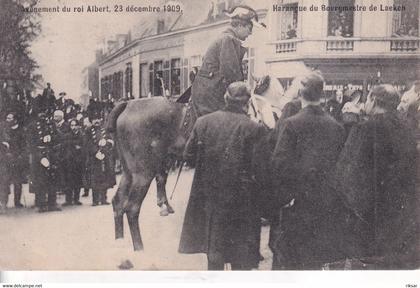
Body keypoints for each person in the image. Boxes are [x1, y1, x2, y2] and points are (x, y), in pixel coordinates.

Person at [179, 82, 266, 270]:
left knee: (215, 258)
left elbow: (188, 157)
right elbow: (261, 170)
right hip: (243, 204)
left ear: (225, 98)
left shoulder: (203, 122)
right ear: (247, 103)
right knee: (241, 261)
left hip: (211, 202)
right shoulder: (254, 128)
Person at [335, 84, 419, 269]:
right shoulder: (407, 130)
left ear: (373, 100)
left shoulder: (365, 128)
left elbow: (347, 172)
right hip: (401, 219)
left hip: (368, 219)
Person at [270, 71, 347, 269]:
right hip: (325, 202)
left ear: (300, 93)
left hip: (296, 203)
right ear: (321, 94)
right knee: (316, 259)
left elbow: (279, 165)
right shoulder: (336, 126)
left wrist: (283, 198)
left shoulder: (291, 124)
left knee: (290, 258)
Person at [191, 5, 263, 117]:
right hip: (211, 94)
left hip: (206, 90)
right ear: (239, 25)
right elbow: (231, 75)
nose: (251, 33)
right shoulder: (228, 40)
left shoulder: (226, 38)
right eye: (250, 28)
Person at [27, 104, 61, 212]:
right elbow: (30, 143)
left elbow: (58, 137)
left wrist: (51, 137)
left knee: (52, 178)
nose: (43, 115)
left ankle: (52, 203)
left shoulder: (50, 124)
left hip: (50, 154)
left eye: (44, 112)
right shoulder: (32, 126)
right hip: (39, 155)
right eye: (41, 113)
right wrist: (38, 156)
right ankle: (41, 204)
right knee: (40, 180)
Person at [85, 113, 115, 206]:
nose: (96, 121)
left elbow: (111, 141)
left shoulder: (105, 130)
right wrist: (95, 152)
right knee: (95, 179)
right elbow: (87, 143)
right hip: (94, 158)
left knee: (104, 178)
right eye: (94, 119)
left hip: (105, 157)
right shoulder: (88, 131)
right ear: (91, 121)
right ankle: (95, 200)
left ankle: (103, 198)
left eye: (98, 119)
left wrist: (106, 142)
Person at [4, 113, 27, 208]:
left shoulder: (22, 131)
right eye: (7, 118)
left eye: (9, 118)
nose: (7, 120)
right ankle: (4, 202)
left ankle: (17, 201)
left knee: (18, 181)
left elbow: (25, 146)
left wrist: (21, 156)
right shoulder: (5, 130)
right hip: (6, 159)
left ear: (15, 120)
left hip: (18, 159)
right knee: (5, 181)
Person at [62, 119, 84, 205]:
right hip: (69, 161)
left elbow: (83, 147)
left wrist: (76, 146)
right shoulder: (67, 135)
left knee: (78, 181)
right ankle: (68, 200)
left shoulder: (82, 135)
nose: (73, 127)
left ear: (78, 126)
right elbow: (65, 146)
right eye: (72, 125)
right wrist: (75, 145)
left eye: (75, 125)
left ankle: (76, 199)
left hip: (78, 161)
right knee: (69, 181)